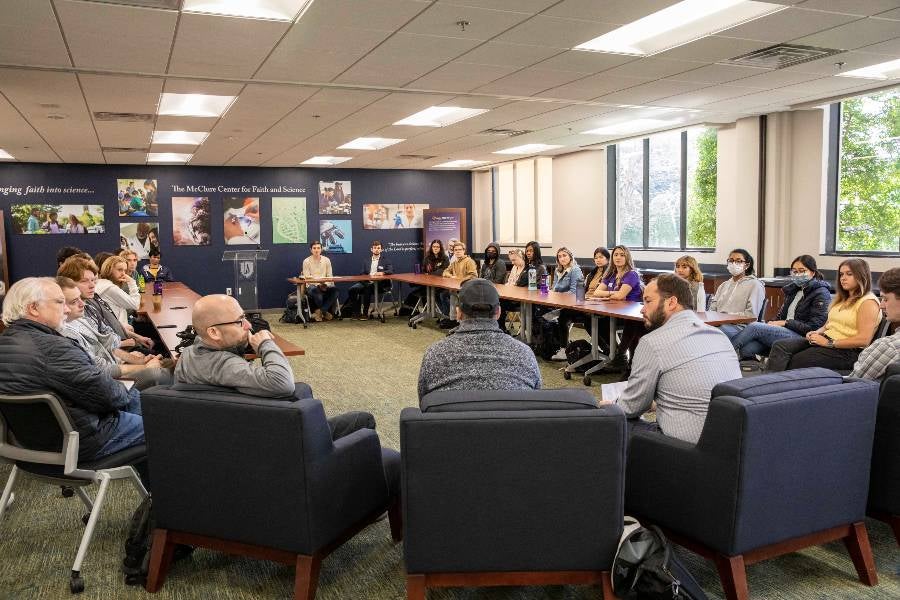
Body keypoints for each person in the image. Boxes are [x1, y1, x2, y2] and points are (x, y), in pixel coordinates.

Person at [174, 294, 373, 439]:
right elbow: (282, 383)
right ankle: (316, 439)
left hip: (233, 425)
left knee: (303, 389)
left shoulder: (189, 355)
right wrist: (265, 344)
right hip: (271, 434)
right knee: (363, 420)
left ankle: (313, 424)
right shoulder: (224, 364)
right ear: (214, 333)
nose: (248, 326)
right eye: (239, 322)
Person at [0, 277, 145, 462]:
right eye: (60, 302)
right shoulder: (54, 348)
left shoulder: (4, 343)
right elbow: (107, 395)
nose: (67, 309)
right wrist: (123, 391)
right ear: (34, 308)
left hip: (25, 444)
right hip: (79, 443)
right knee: (162, 426)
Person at [602, 274, 741, 444]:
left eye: (648, 301)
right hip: (727, 441)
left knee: (610, 421)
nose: (642, 309)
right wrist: (656, 403)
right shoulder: (720, 335)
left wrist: (610, 406)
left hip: (682, 449)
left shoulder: (653, 343)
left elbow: (630, 408)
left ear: (671, 302)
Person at [418, 278, 542, 399]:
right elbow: (536, 399)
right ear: (498, 312)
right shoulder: (525, 354)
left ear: (458, 313)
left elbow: (424, 402)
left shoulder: (434, 355)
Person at [768, 258, 881, 372]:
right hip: (826, 340)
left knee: (796, 360)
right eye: (841, 274)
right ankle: (767, 384)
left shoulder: (868, 302)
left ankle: (778, 385)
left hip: (848, 351)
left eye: (849, 274)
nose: (843, 278)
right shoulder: (842, 299)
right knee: (780, 347)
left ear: (861, 276)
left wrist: (829, 343)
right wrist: (816, 332)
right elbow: (828, 325)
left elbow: (863, 340)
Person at [58, 276, 170, 390]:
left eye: (93, 279)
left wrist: (140, 361)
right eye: (74, 301)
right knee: (160, 374)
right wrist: (145, 368)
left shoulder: (80, 319)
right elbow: (100, 369)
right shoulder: (66, 334)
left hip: (114, 370)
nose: (82, 304)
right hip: (107, 385)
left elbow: (109, 347)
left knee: (170, 366)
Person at [730, 255, 830, 361]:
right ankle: (757, 373)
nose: (798, 275)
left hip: (803, 337)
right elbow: (780, 316)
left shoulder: (821, 293)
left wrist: (786, 323)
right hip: (783, 332)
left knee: (754, 326)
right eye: (795, 272)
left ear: (813, 272)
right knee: (746, 349)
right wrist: (771, 323)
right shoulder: (793, 290)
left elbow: (814, 326)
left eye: (802, 271)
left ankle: (723, 353)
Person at [592, 245, 643, 375]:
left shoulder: (631, 274)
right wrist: (612, 293)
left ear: (627, 257)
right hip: (615, 311)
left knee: (631, 323)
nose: (618, 257)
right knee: (592, 321)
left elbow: (621, 296)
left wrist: (611, 294)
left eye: (622, 255)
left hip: (632, 314)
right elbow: (597, 292)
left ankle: (620, 356)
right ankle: (613, 353)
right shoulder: (612, 274)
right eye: (616, 255)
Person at [850, 267, 899, 381]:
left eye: (885, 299)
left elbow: (853, 382)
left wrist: (830, 343)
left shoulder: (889, 346)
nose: (881, 306)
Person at [711, 248, 766, 341]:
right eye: (731, 261)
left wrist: (726, 317)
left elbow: (751, 315)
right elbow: (712, 308)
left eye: (739, 261)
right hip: (719, 324)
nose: (734, 264)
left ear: (747, 265)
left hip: (741, 327)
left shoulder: (755, 285)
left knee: (714, 334)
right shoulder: (724, 285)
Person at [549, 246, 585, 355]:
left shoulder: (575, 270)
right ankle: (550, 344)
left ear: (570, 257)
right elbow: (554, 288)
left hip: (572, 305)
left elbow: (575, 292)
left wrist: (558, 296)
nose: (562, 258)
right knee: (540, 312)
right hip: (558, 303)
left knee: (562, 317)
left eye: (564, 255)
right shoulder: (557, 270)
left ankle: (563, 347)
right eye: (559, 256)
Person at [347, 240, 392, 320]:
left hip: (380, 284)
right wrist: (366, 278)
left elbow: (390, 270)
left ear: (381, 249)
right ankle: (356, 312)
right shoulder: (366, 260)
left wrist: (382, 273)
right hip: (366, 282)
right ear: (371, 249)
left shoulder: (386, 260)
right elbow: (362, 273)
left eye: (378, 248)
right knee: (352, 289)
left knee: (367, 288)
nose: (377, 249)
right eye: (375, 248)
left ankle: (365, 313)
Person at [438, 241, 478, 328]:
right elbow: (445, 272)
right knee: (446, 295)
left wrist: (460, 279)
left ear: (464, 250)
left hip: (467, 289)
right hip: (456, 289)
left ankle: (461, 322)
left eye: (460, 249)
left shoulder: (469, 261)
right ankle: (453, 320)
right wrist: (451, 276)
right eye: (456, 250)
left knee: (454, 298)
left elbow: (473, 276)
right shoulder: (455, 262)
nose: (458, 251)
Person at [403, 240, 449, 311]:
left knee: (424, 293)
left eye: (437, 247)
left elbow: (442, 272)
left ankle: (432, 311)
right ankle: (410, 310)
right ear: (431, 247)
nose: (435, 248)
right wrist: (429, 274)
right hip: (427, 283)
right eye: (434, 247)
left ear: (440, 248)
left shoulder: (445, 258)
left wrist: (430, 274)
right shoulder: (427, 258)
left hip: (440, 285)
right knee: (412, 293)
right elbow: (424, 271)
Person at [96, 255, 141, 327]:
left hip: (117, 327)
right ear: (109, 269)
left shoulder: (102, 283)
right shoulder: (110, 288)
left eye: (125, 270)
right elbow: (135, 305)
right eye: (120, 270)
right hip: (119, 331)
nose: (123, 274)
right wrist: (132, 282)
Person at [301, 240, 339, 321]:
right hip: (312, 286)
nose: (316, 250)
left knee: (335, 290)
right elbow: (307, 278)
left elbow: (330, 276)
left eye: (318, 248)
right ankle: (325, 312)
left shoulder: (327, 260)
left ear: (321, 249)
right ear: (311, 250)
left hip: (325, 285)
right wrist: (318, 284)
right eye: (314, 248)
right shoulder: (306, 261)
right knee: (317, 292)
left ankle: (320, 311)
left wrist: (326, 284)